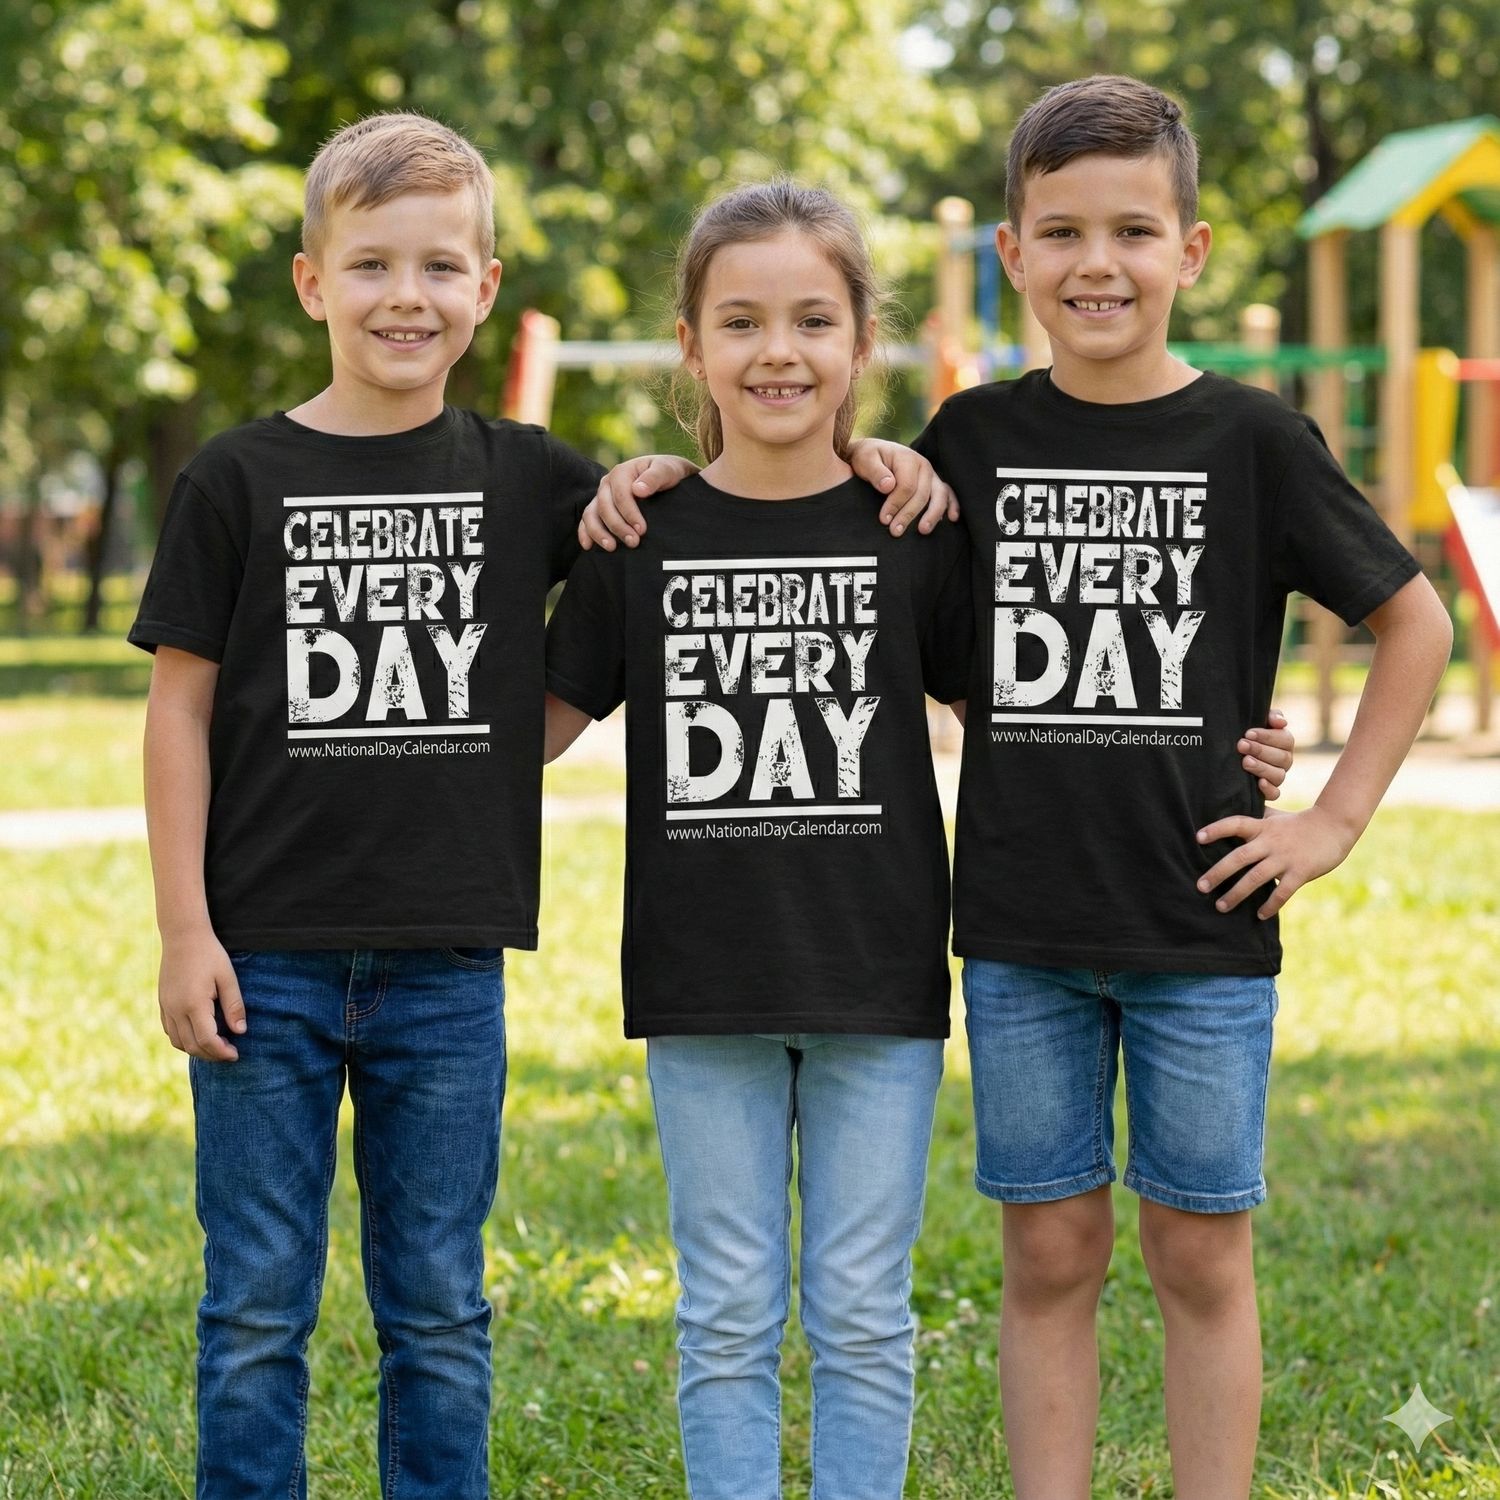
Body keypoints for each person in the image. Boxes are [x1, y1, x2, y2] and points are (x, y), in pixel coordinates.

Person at [576, 74, 1450, 1499]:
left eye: (1132, 232)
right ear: (1013, 255)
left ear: (1193, 250)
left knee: (1200, 1247)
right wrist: (667, 474)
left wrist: (1329, 813)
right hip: (1020, 932)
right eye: (1062, 233)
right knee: (1048, 1250)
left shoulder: (1254, 439)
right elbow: (902, 627)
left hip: (1202, 920)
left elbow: (1411, 619)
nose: (1098, 264)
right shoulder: (963, 448)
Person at [129, 112, 604, 1499]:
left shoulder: (528, 473)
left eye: (442, 267)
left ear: (488, 288)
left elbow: (665, 562)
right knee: (257, 1306)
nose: (409, 296)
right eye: (375, 264)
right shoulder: (235, 476)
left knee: (441, 1309)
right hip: (262, 963)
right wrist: (182, 931)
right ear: (311, 280)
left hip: (449, 971)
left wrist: (537, 728)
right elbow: (178, 709)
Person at [543, 179, 974, 1500]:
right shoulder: (640, 535)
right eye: (740, 321)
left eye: (811, 320)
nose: (776, 351)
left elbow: (1023, 713)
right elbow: (531, 730)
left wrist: (1231, 754)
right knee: (724, 1314)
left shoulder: (912, 526)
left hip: (878, 982)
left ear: (860, 340)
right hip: (703, 983)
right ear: (691, 342)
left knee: (861, 1312)